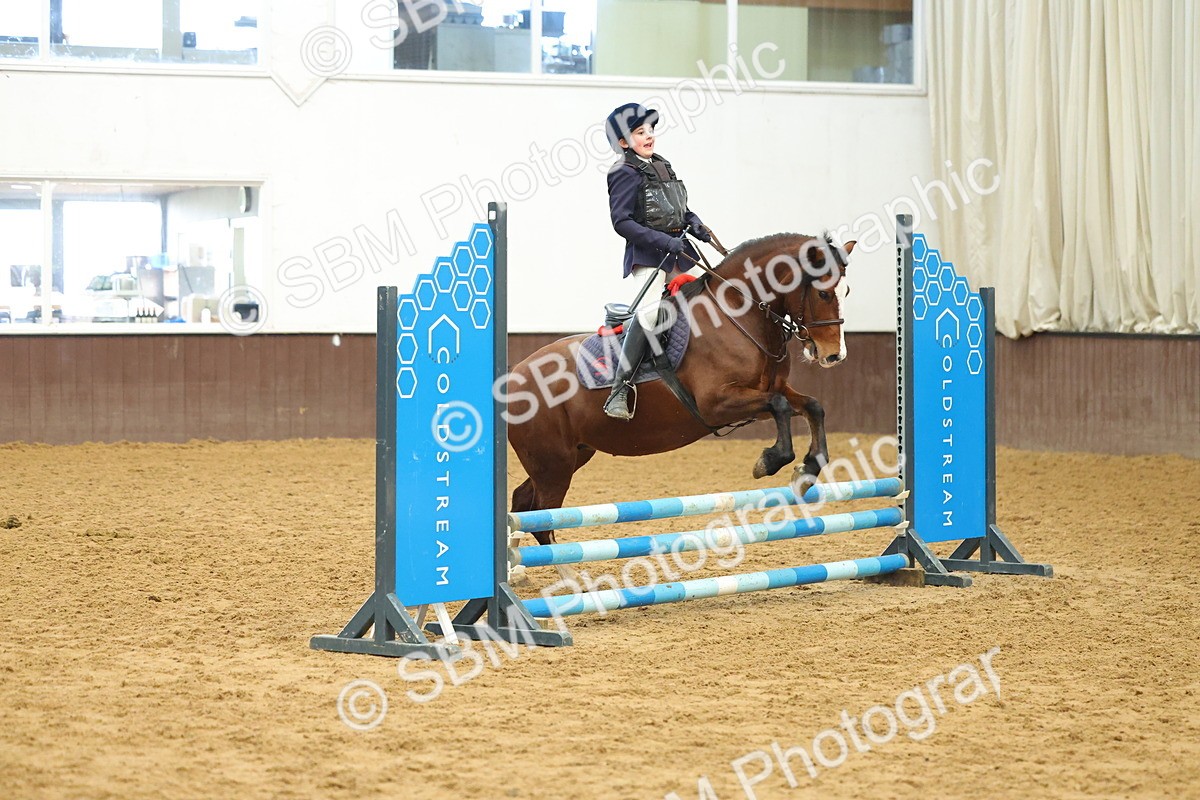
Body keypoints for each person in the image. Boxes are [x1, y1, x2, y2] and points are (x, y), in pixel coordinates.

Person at [602, 102, 718, 420]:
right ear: (624, 142)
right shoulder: (623, 173)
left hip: (678, 251)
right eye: (640, 132)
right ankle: (619, 389)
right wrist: (664, 240)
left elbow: (678, 208)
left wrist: (695, 223)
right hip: (649, 257)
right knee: (651, 314)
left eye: (650, 130)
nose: (649, 135)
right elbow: (621, 222)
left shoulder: (662, 164)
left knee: (709, 299)